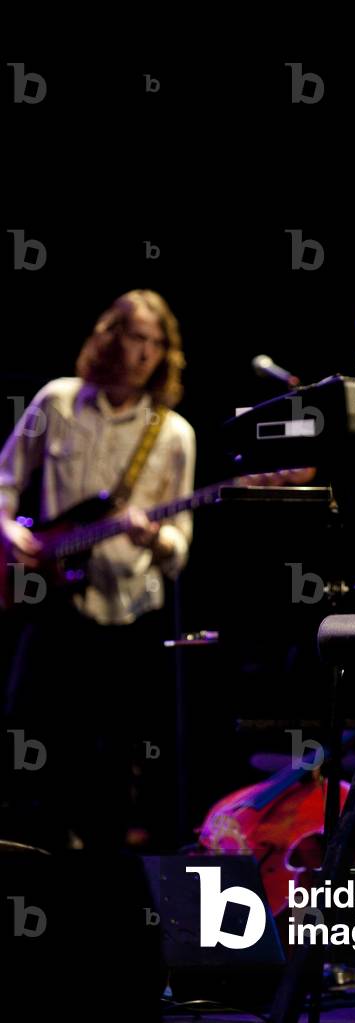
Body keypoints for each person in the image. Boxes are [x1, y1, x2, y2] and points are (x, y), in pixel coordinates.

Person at [0, 289, 196, 850]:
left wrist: (154, 536)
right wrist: (11, 531)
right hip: (55, 602)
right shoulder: (58, 402)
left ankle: (103, 880)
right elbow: (6, 479)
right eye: (135, 337)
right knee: (31, 732)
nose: (145, 353)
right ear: (109, 337)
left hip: (130, 610)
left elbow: (180, 547)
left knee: (114, 759)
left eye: (156, 343)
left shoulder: (174, 433)